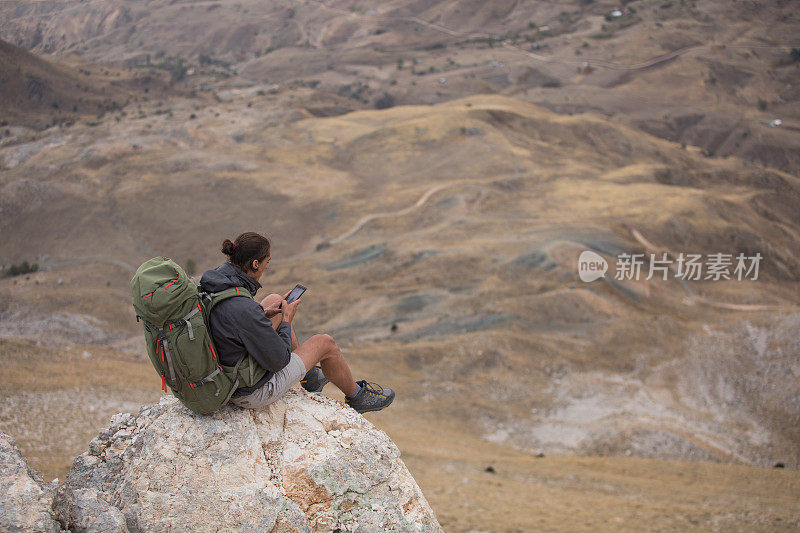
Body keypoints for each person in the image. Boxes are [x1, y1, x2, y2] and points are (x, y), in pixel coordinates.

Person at [199, 231, 394, 413]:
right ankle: (357, 397)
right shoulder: (242, 308)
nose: (268, 266)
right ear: (255, 264)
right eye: (267, 261)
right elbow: (279, 360)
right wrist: (286, 320)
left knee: (274, 299)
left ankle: (310, 377)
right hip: (249, 392)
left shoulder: (216, 286)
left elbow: (235, 322)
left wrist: (263, 314)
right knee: (325, 343)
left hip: (225, 373)